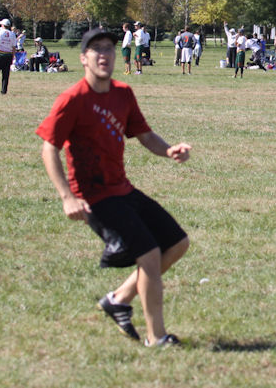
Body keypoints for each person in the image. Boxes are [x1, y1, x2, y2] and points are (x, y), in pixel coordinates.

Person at [37, 27, 190, 347]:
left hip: (122, 189)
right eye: (96, 49)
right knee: (149, 254)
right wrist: (67, 197)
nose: (104, 54)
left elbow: (144, 135)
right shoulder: (73, 99)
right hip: (93, 197)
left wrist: (169, 150)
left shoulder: (123, 94)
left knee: (177, 243)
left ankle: (118, 300)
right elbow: (49, 148)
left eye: (108, 48)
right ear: (84, 58)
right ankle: (156, 337)